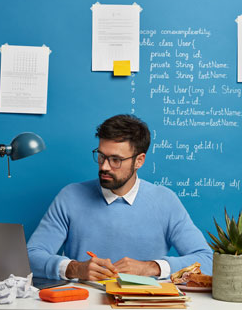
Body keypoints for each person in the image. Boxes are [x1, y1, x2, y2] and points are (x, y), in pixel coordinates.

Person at [27, 114, 212, 281]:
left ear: (139, 160)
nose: (105, 167)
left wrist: (151, 267)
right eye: (101, 156)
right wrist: (75, 268)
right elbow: (30, 256)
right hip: (82, 302)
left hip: (144, 303)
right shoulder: (70, 196)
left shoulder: (165, 201)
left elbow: (207, 260)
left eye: (116, 160)